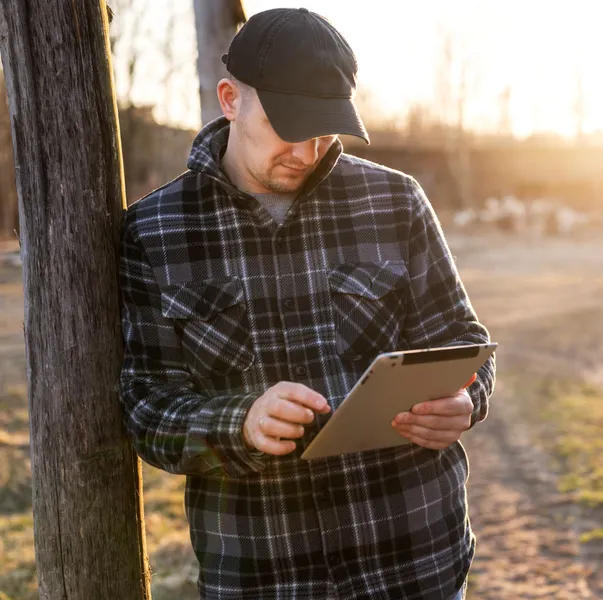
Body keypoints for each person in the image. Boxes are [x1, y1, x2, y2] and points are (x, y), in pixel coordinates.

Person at [118, 7, 495, 600]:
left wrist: (466, 398)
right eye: (287, 125)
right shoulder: (153, 231)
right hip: (265, 573)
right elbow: (146, 408)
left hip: (415, 558)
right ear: (229, 100)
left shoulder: (395, 201)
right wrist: (239, 422)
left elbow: (462, 338)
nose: (307, 150)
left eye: (325, 131)